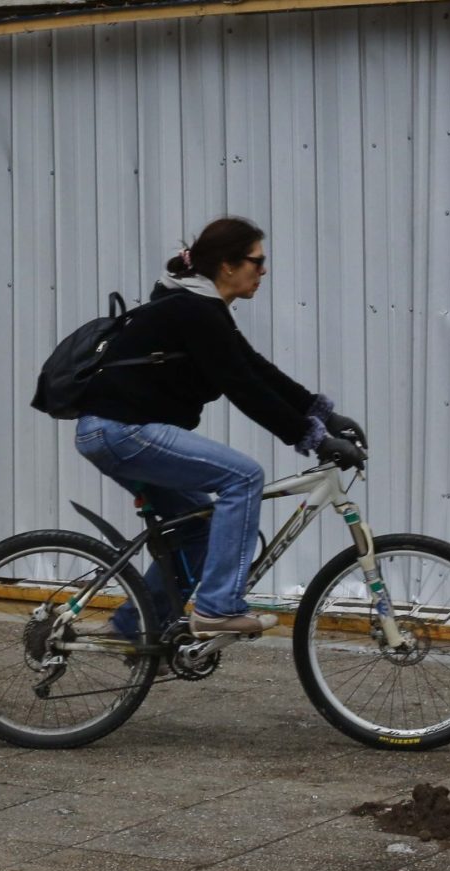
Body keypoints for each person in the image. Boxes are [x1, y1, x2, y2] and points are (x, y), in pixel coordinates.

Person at [73, 216, 365, 638]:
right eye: (256, 262)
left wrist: (322, 413)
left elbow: (254, 368)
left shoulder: (201, 308)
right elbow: (242, 387)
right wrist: (314, 438)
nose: (263, 271)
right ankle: (217, 608)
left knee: (197, 530)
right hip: (122, 430)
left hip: (113, 431)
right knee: (243, 477)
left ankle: (133, 625)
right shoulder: (192, 310)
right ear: (227, 265)